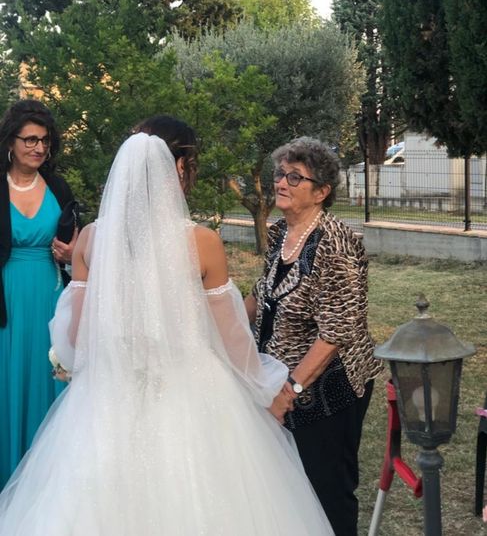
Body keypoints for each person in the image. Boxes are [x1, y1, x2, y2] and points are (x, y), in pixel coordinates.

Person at [0, 116, 334, 535]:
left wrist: (73, 363)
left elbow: (73, 338)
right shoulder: (201, 242)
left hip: (108, 399)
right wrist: (264, 389)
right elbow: (232, 337)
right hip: (191, 395)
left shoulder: (91, 239)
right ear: (177, 167)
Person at [246, 136, 383, 536]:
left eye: (295, 177)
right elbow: (262, 293)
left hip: (327, 388)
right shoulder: (280, 234)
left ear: (321, 191)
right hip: (280, 376)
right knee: (290, 489)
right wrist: (213, 321)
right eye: (280, 173)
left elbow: (336, 332)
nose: (281, 182)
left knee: (326, 491)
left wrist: (288, 392)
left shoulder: (336, 243)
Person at [0, 99, 77, 489]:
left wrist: (70, 254)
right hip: (6, 300)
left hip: (49, 298)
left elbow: (76, 246)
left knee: (48, 382)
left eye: (44, 140)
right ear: (10, 142)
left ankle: (42, 492)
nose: (38, 147)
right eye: (29, 139)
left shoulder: (58, 188)